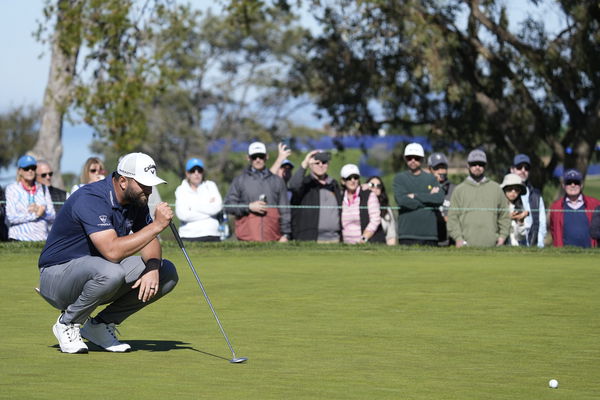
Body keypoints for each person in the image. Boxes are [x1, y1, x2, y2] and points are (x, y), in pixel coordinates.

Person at [37, 152, 178, 354]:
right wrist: (156, 226)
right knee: (111, 271)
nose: (148, 189)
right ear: (122, 181)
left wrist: (153, 267)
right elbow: (112, 251)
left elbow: (149, 242)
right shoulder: (91, 198)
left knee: (167, 272)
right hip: (56, 276)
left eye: (150, 184)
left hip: (97, 273)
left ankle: (100, 325)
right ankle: (67, 323)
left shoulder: (136, 201)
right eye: (143, 184)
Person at [224, 141, 291, 242]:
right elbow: (228, 206)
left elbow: (285, 210)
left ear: (266, 157)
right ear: (248, 158)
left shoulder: (277, 181)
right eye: (254, 157)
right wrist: (249, 207)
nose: (258, 160)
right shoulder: (239, 180)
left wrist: (285, 235)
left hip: (273, 239)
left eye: (261, 156)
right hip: (246, 240)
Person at [447, 149, 510, 247]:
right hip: (466, 248)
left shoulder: (496, 188)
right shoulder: (459, 190)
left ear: (485, 166)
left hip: (493, 247)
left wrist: (502, 237)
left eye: (481, 164)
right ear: (468, 165)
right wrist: (458, 238)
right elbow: (452, 218)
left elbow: (504, 216)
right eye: (474, 164)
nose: (477, 167)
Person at [393, 143, 444, 246]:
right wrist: (428, 200)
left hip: (429, 235)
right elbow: (402, 201)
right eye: (409, 158)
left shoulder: (431, 178)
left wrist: (415, 196)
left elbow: (439, 199)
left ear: (422, 159)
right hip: (406, 234)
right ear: (405, 158)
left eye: (416, 158)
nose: (413, 160)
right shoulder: (399, 179)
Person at [288, 150, 343, 242]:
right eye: (317, 163)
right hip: (309, 238)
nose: (321, 165)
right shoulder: (305, 183)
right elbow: (293, 185)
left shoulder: (334, 184)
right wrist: (305, 163)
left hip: (334, 238)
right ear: (311, 165)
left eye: (324, 162)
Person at [5, 155, 56, 241]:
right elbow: (11, 217)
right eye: (26, 168)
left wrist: (42, 213)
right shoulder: (12, 189)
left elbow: (53, 216)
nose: (30, 171)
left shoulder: (43, 189)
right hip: (18, 238)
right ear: (19, 171)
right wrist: (35, 215)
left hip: (42, 239)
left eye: (33, 168)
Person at [548, 169, 600, 248]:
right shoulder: (556, 207)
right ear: (563, 185)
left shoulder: (595, 204)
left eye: (576, 182)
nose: (573, 185)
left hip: (589, 253)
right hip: (564, 255)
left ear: (581, 185)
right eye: (569, 182)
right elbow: (553, 230)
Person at [175, 157, 223, 242]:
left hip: (212, 235)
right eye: (193, 170)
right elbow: (182, 215)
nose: (196, 173)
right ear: (187, 173)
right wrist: (208, 210)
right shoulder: (181, 190)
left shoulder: (211, 185)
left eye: (199, 170)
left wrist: (192, 207)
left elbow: (217, 207)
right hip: (188, 236)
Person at [510, 154, 547, 247]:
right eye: (519, 167)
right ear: (512, 169)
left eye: (526, 168)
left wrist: (539, 246)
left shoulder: (536, 196)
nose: (523, 171)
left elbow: (542, 225)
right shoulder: (501, 192)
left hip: (531, 246)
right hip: (509, 247)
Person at [340, 164, 382, 244]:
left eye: (355, 177)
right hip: (344, 244)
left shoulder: (369, 195)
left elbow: (375, 219)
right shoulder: (340, 197)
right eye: (349, 178)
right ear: (343, 181)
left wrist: (364, 238)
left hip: (364, 243)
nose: (353, 180)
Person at [427, 152, 455, 246]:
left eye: (443, 167)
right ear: (430, 169)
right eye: (437, 168)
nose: (441, 171)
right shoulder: (424, 188)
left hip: (449, 240)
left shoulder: (454, 189)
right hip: (429, 238)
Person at [500, 173, 531, 246]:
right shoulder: (496, 207)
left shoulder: (519, 208)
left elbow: (520, 237)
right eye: (510, 189)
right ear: (504, 189)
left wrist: (521, 222)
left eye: (517, 189)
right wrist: (507, 217)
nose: (513, 192)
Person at [365, 176, 396, 244]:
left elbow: (391, 235)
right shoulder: (360, 205)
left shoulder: (386, 209)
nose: (375, 188)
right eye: (372, 185)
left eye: (378, 186)